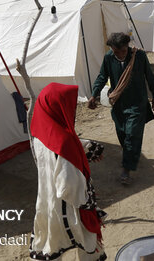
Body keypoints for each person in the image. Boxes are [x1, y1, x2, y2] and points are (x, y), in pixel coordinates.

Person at [29, 83, 106, 261]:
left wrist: (85, 147)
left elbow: (57, 149)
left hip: (48, 201)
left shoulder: (40, 131)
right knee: (87, 242)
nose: (72, 110)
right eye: (68, 105)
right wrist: (86, 202)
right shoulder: (64, 144)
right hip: (70, 207)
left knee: (52, 242)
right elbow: (67, 185)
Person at [88, 32, 154, 185]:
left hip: (137, 103)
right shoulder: (108, 57)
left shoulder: (138, 56)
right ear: (112, 49)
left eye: (123, 51)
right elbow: (102, 76)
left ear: (128, 46)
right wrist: (94, 94)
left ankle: (127, 168)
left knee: (132, 134)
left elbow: (149, 76)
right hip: (119, 104)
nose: (120, 54)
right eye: (116, 51)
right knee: (122, 133)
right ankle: (130, 154)